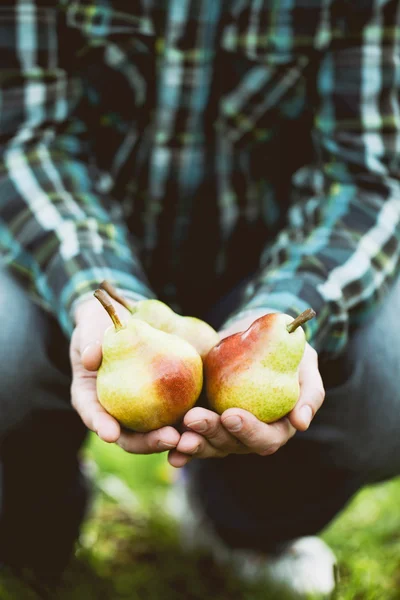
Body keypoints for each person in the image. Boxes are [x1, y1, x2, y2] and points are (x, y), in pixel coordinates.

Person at [1, 0, 400, 596]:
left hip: (267, 258)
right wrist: (102, 300)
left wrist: (283, 309)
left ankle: (241, 524)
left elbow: (364, 177)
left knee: (390, 384)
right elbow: (25, 139)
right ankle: (34, 517)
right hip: (85, 252)